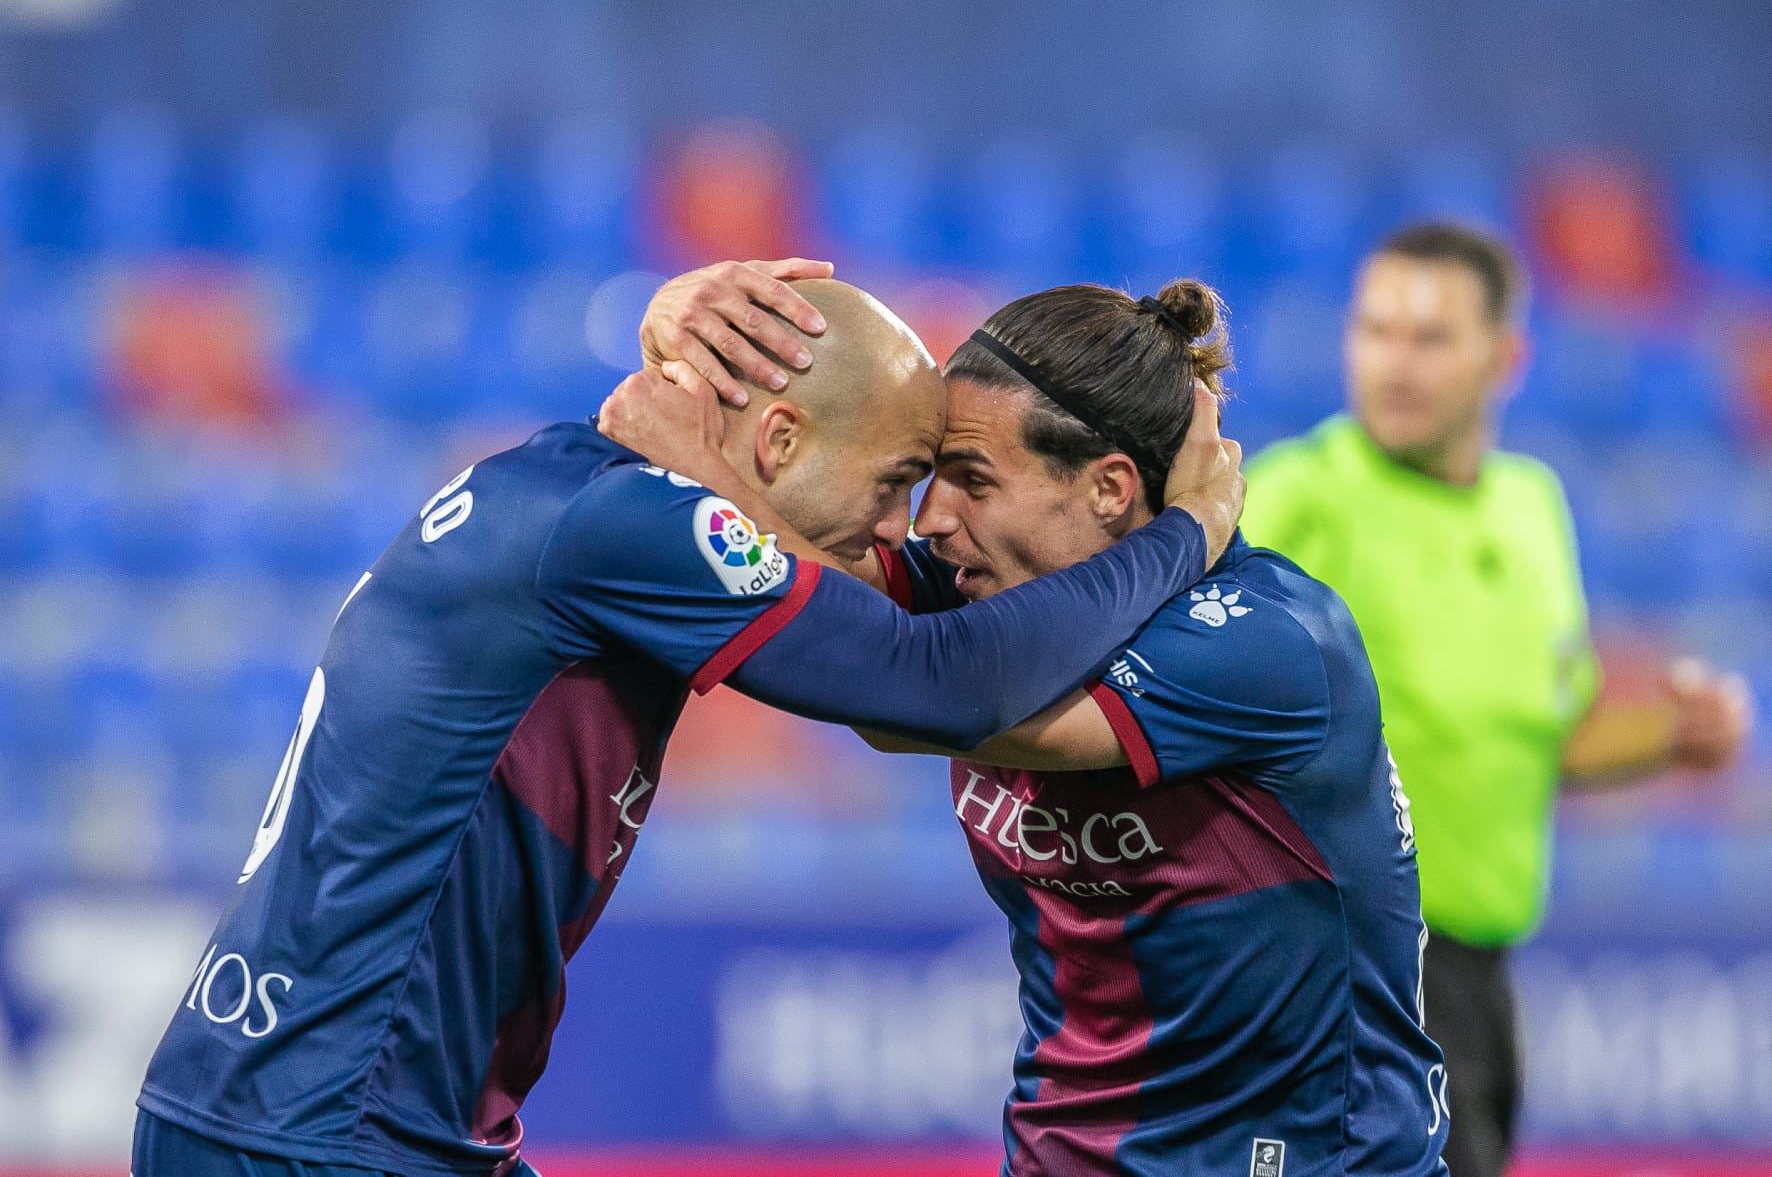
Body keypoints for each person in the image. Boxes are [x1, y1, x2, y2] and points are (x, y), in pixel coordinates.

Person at [132, 269, 1246, 1177]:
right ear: (772, 443)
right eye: (897, 478)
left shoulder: (569, 496)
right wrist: (1183, 531)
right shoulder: (630, 527)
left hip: (352, 1114)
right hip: (324, 1127)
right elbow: (940, 683)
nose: (892, 532)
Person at [612, 269, 1450, 1176]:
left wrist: (696, 477)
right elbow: (787, 583)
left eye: (973, 480)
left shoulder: (1264, 642)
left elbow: (923, 703)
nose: (929, 521)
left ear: (1108, 488)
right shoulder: (993, 594)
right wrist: (687, 380)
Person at [1234, 221, 1757, 1177]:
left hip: (1477, 978)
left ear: (1504, 356)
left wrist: (1672, 736)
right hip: (1341, 970)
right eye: (1376, 329)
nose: (1396, 361)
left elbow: (1544, 736)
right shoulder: (1296, 500)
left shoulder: (1534, 507)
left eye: (1430, 337)